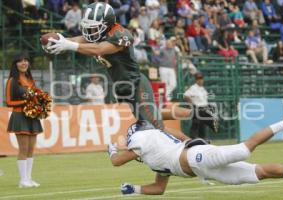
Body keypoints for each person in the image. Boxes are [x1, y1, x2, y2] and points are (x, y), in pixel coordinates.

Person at [43, 2, 212, 136]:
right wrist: (61, 41)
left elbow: (99, 49)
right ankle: (197, 113)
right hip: (124, 88)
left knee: (156, 127)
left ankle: (195, 148)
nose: (89, 31)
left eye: (93, 27)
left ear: (107, 24)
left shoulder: (121, 35)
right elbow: (81, 39)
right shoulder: (101, 34)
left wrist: (68, 45)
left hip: (136, 84)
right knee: (156, 115)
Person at [108, 116, 283, 195]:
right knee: (258, 173)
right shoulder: (155, 154)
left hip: (196, 158)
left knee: (245, 148)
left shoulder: (142, 137)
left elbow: (117, 162)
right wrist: (135, 189)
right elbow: (159, 188)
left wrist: (112, 150)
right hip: (205, 170)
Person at [5, 52, 43, 188]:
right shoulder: (12, 81)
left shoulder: (30, 79)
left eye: (26, 60)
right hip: (20, 116)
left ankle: (29, 178)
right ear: (15, 64)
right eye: (20, 61)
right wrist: (25, 102)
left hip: (32, 116)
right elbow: (8, 102)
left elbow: (36, 96)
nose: (24, 63)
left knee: (31, 149)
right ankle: (22, 180)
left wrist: (41, 102)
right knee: (23, 148)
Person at [184, 72, 218, 138]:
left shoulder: (202, 89)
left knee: (202, 127)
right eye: (198, 78)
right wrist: (192, 105)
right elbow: (186, 96)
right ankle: (193, 140)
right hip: (198, 109)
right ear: (196, 80)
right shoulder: (193, 87)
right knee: (196, 125)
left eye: (201, 78)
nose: (200, 80)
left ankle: (202, 142)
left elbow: (205, 100)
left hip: (204, 109)